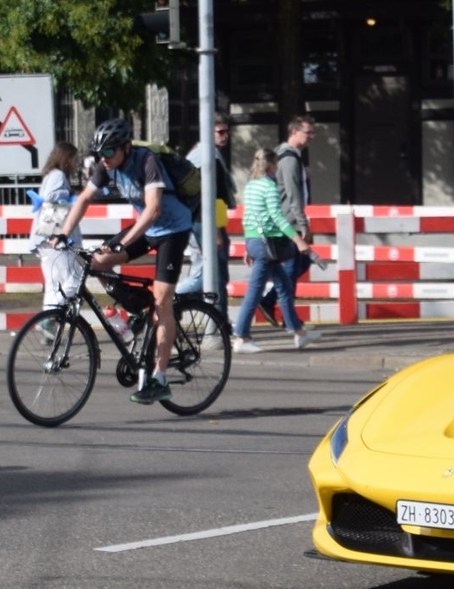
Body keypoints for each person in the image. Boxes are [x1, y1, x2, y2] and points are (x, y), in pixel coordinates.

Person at [74, 117, 195, 403]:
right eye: (98, 154)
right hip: (148, 229)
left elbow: (153, 210)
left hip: (173, 230)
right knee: (95, 263)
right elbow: (82, 200)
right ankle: (139, 308)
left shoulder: (147, 162)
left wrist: (123, 244)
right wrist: (61, 235)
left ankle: (160, 378)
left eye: (107, 153)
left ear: (125, 148)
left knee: (163, 300)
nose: (102, 160)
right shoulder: (107, 168)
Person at [234, 146, 312, 349]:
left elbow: (249, 217)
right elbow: (277, 218)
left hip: (255, 241)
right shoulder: (269, 186)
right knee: (255, 290)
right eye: (276, 164)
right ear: (270, 165)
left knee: (284, 286)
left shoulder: (251, 185)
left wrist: (247, 246)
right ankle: (241, 336)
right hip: (267, 244)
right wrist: (298, 240)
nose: (278, 168)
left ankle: (298, 331)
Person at [264, 117, 315, 329]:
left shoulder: (287, 155)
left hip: (285, 220)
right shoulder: (290, 158)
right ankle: (289, 320)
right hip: (288, 223)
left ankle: (269, 302)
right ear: (294, 132)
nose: (311, 137)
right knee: (292, 269)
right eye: (308, 133)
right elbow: (294, 197)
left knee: (300, 264)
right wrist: (304, 226)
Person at [178, 116, 235, 302]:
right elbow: (204, 197)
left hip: (205, 221)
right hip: (204, 222)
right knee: (212, 276)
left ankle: (213, 319)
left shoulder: (210, 153)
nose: (226, 136)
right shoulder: (205, 156)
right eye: (220, 132)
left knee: (205, 273)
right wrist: (215, 230)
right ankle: (169, 297)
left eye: (227, 131)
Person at [28, 141, 87, 308]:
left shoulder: (50, 175)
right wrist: (71, 196)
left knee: (54, 285)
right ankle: (54, 317)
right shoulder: (58, 176)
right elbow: (52, 198)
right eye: (74, 159)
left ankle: (50, 323)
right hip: (56, 238)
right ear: (66, 158)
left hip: (45, 239)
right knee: (72, 280)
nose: (76, 164)